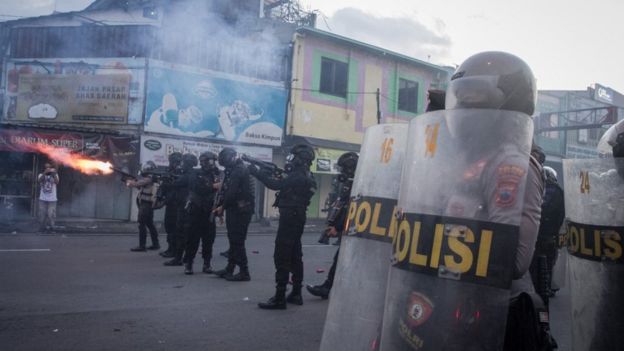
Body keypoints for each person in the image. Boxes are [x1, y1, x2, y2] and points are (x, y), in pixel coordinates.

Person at [250, 144, 317, 309]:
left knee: (282, 254)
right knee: (294, 254)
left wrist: (257, 173)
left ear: (301, 159)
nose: (291, 159)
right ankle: (296, 293)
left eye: (294, 157)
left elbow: (275, 185)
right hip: (297, 216)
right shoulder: (307, 175)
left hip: (290, 217)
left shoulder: (298, 176)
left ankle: (280, 297)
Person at [307, 151, 358, 299]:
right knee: (342, 259)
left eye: (343, 169)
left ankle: (330, 288)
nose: (341, 172)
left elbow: (350, 209)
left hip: (355, 231)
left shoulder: (356, 185)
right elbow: (341, 206)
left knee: (344, 260)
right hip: (350, 230)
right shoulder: (350, 183)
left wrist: (339, 227)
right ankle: (330, 287)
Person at [213, 148, 255, 281]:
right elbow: (225, 190)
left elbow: (231, 193)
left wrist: (222, 207)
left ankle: (244, 272)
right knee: (233, 241)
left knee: (237, 241)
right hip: (235, 208)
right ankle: (230, 269)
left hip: (241, 210)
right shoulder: (231, 170)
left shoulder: (239, 170)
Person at [529, 166, 565, 302]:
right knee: (546, 261)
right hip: (548, 233)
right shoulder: (554, 190)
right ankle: (543, 288)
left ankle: (543, 288)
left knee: (544, 261)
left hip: (545, 233)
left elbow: (543, 208)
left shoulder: (551, 190)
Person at [182, 151, 220, 275]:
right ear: (203, 161)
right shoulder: (195, 173)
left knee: (209, 239)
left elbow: (221, 191)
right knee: (192, 239)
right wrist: (213, 186)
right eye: (210, 161)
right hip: (196, 210)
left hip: (210, 211)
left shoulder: (217, 174)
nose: (212, 163)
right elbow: (197, 188)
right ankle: (189, 264)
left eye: (213, 161)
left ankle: (207, 264)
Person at [163, 153, 197, 266]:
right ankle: (186, 257)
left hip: (184, 207)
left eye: (183, 162)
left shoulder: (188, 175)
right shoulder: (190, 174)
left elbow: (174, 184)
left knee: (181, 233)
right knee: (185, 233)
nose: (181, 164)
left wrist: (165, 180)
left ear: (187, 163)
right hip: (186, 206)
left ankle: (178, 258)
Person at [125, 161, 160, 252]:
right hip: (147, 204)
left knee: (142, 224)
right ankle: (155, 244)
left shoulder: (149, 179)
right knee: (149, 224)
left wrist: (128, 181)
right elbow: (141, 187)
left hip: (146, 205)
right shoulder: (151, 178)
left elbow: (135, 184)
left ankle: (142, 246)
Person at [159, 152, 183, 258]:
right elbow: (163, 186)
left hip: (178, 203)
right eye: (173, 161)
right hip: (170, 202)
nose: (173, 163)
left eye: (175, 161)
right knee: (169, 226)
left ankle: (175, 250)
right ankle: (170, 248)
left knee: (176, 228)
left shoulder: (182, 172)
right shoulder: (169, 171)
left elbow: (181, 186)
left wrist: (171, 181)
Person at [37, 162, 60, 233]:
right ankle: (42, 228)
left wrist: (54, 174)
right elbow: (39, 180)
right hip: (42, 199)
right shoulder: (41, 175)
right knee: (42, 214)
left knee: (51, 214)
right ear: (44, 169)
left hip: (52, 199)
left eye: (49, 168)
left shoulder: (55, 174)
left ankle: (52, 228)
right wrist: (45, 173)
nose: (48, 169)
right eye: (46, 168)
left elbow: (57, 182)